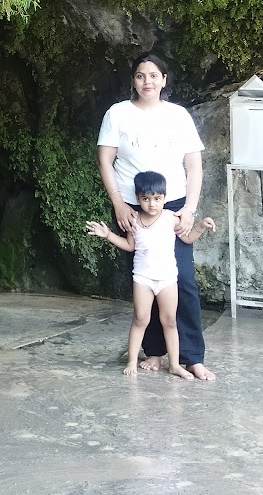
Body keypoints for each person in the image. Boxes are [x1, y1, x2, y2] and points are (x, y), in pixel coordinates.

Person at [96, 51, 215, 380]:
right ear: (132, 80)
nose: (147, 81)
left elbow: (194, 165)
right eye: (140, 76)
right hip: (132, 206)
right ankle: (154, 352)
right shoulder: (118, 114)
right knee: (143, 279)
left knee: (182, 281)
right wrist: (119, 204)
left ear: (164, 80)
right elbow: (105, 160)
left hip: (173, 206)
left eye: (153, 75)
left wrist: (189, 208)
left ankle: (192, 357)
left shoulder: (178, 115)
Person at [87, 171, 217, 378]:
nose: (152, 204)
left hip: (167, 279)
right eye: (146, 199)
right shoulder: (134, 221)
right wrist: (108, 235)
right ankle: (132, 360)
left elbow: (187, 238)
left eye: (157, 199)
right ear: (138, 199)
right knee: (140, 319)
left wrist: (200, 226)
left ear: (164, 198)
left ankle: (175, 365)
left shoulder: (171, 218)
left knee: (170, 321)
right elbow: (129, 246)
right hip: (142, 279)